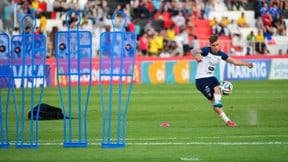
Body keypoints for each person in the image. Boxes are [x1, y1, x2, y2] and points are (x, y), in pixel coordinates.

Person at [190, 35, 254, 127]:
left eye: (217, 45)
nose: (216, 47)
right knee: (212, 100)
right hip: (201, 80)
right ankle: (226, 119)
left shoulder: (221, 54)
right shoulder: (205, 51)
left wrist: (246, 64)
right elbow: (192, 51)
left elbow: (234, 62)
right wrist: (196, 56)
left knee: (217, 88)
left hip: (211, 77)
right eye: (214, 45)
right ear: (210, 45)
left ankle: (218, 103)